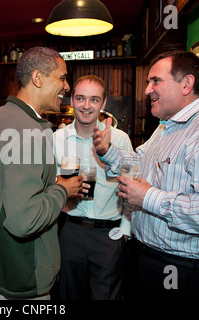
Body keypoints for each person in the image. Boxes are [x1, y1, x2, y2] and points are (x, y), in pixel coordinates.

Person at [93, 50, 199, 299]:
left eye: (156, 81)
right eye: (148, 82)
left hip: (184, 271)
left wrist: (149, 198)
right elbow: (140, 162)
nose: (147, 90)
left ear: (187, 84)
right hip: (151, 259)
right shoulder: (167, 126)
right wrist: (108, 150)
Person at [0, 47, 84, 300]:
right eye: (62, 77)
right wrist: (62, 190)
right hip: (20, 272)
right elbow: (24, 220)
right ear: (38, 78)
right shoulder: (31, 132)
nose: (67, 86)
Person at [53, 75, 133, 300]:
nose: (86, 106)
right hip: (69, 231)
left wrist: (125, 232)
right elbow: (47, 184)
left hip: (109, 234)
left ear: (104, 103)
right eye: (80, 98)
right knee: (68, 295)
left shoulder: (120, 139)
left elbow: (131, 187)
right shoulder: (56, 139)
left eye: (94, 99)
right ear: (71, 100)